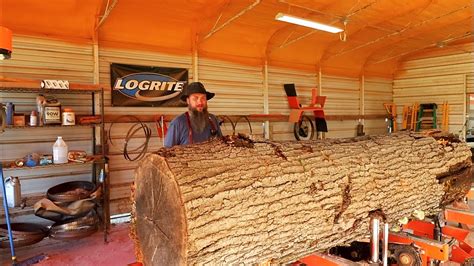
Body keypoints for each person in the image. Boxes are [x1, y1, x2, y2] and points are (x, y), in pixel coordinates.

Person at [164, 82, 222, 147]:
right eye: (195, 98)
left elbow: (221, 143)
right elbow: (167, 151)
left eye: (203, 98)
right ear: (188, 101)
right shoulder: (178, 123)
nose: (200, 102)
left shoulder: (213, 119)